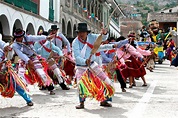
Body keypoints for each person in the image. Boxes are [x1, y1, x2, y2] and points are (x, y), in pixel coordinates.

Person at [12, 28, 55, 95]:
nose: (19, 39)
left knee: (41, 72)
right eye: (18, 37)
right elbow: (20, 54)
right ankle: (23, 89)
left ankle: (50, 87)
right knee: (21, 73)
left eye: (21, 37)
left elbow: (36, 38)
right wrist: (28, 60)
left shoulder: (27, 38)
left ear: (23, 36)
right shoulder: (15, 45)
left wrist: (46, 37)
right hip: (24, 60)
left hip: (33, 57)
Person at [0, 33, 33, 106]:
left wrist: (6, 47)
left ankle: (28, 100)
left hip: (3, 70)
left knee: (15, 84)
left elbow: (3, 44)